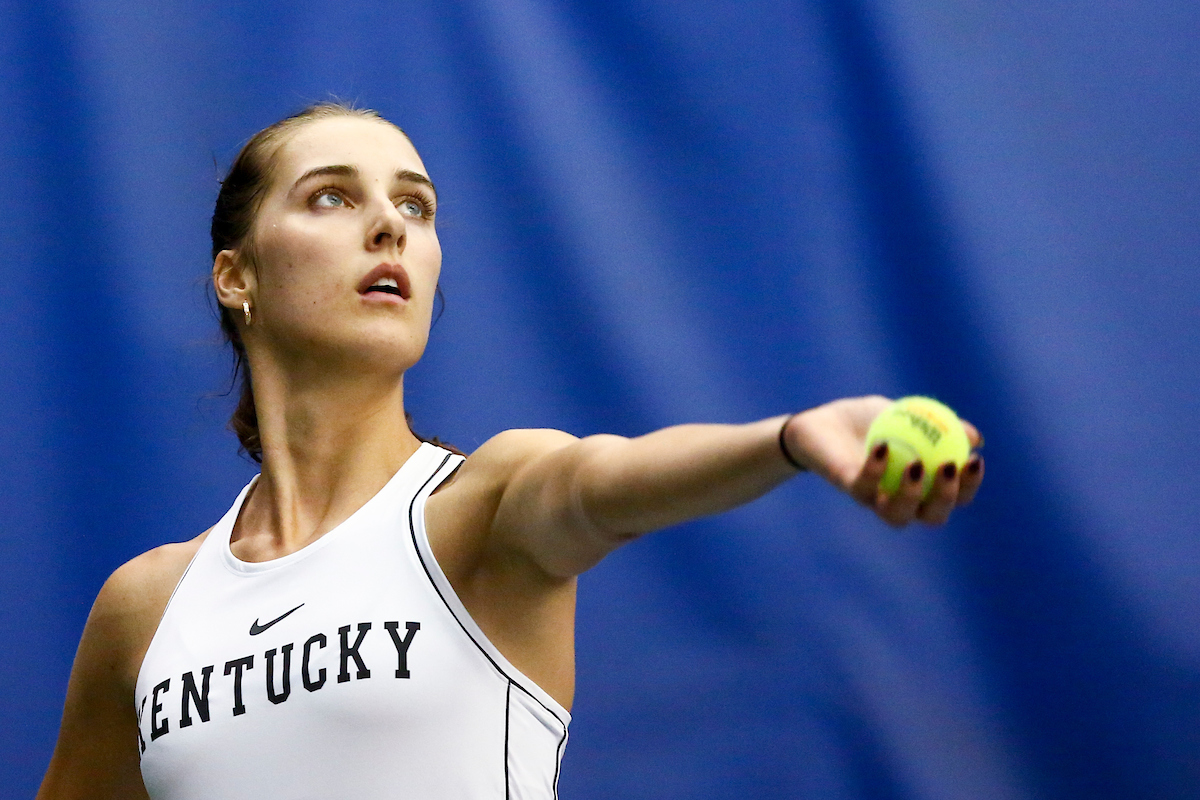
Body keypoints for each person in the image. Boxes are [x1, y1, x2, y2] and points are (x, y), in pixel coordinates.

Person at [37, 103, 983, 800]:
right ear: (235, 277)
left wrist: (784, 440)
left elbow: (605, 483)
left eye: (417, 207)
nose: (388, 227)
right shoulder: (147, 606)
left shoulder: (474, 514)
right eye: (331, 197)